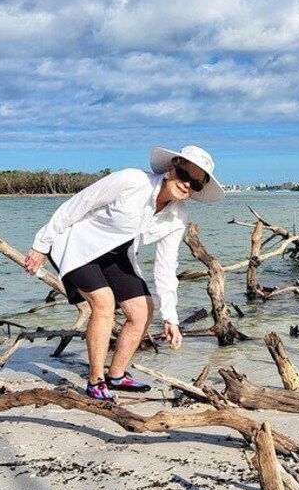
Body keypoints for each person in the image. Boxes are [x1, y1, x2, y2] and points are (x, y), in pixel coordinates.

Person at [23, 146, 224, 400]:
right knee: (103, 303)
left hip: (117, 254)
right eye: (184, 175)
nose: (186, 185)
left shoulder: (177, 217)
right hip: (78, 245)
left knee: (143, 311)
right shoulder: (131, 180)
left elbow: (166, 266)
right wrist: (41, 245)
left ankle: (116, 376)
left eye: (195, 184)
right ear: (172, 167)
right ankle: (95, 381)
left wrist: (171, 317)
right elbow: (78, 204)